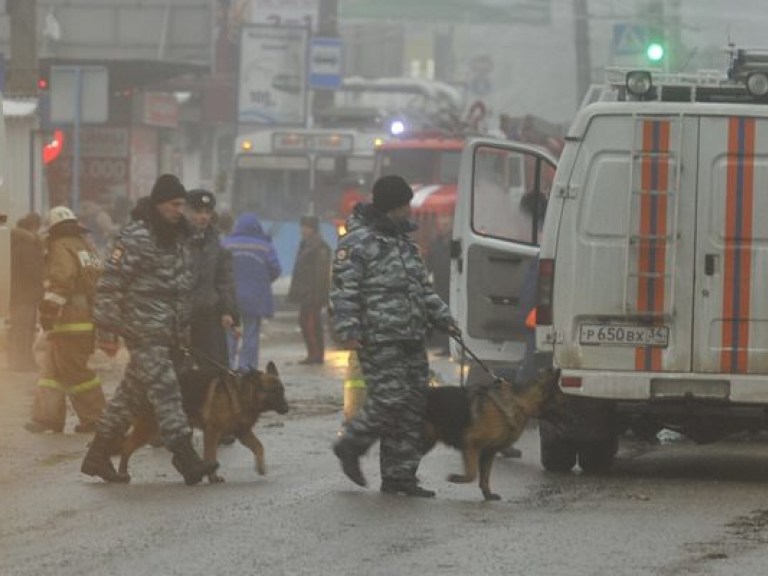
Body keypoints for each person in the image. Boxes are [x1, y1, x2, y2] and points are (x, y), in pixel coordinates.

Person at [80, 174, 218, 485]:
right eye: (173, 204)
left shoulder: (179, 238)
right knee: (168, 391)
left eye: (182, 205)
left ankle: (98, 454)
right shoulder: (136, 237)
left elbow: (181, 289)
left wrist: (182, 331)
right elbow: (110, 284)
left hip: (168, 333)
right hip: (142, 331)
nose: (178, 210)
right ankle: (186, 457)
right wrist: (107, 330)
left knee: (130, 397)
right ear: (157, 204)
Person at [330, 175, 460, 498]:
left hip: (412, 335)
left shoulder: (404, 244)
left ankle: (400, 475)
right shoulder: (357, 242)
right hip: (380, 336)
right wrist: (347, 330)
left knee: (414, 405)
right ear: (392, 206)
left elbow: (422, 289)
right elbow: (344, 290)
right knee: (389, 402)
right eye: (405, 206)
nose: (409, 212)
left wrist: (444, 318)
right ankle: (351, 444)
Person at [25, 207, 106, 434]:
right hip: (84, 318)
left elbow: (61, 280)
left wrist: (48, 311)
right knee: (52, 370)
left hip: (69, 319)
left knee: (76, 370)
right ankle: (46, 417)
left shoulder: (60, 246)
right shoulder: (86, 246)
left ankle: (97, 417)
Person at [222, 213, 281, 371]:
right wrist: (261, 281)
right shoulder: (264, 246)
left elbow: (218, 268)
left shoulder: (227, 244)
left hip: (231, 297)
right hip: (255, 297)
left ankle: (228, 365)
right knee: (251, 333)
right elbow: (275, 269)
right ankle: (247, 367)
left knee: (230, 332)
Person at [186, 189, 237, 367]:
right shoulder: (176, 240)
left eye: (207, 212)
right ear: (187, 211)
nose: (203, 217)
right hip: (182, 317)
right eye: (198, 212)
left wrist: (227, 311)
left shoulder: (216, 243)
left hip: (209, 316)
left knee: (216, 368)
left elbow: (224, 280)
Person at [288, 215, 331, 365]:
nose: (303, 230)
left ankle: (316, 354)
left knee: (310, 323)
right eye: (302, 227)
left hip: (313, 293)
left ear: (313, 229)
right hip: (306, 292)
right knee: (306, 321)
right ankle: (313, 353)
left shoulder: (319, 247)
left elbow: (320, 273)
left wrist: (316, 294)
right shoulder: (306, 245)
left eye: (306, 227)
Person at [8, 213, 45, 372]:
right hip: (26, 295)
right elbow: (33, 270)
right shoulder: (26, 245)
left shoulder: (16, 242)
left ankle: (22, 361)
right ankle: (21, 362)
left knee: (22, 329)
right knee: (24, 330)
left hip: (17, 294)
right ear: (34, 227)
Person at [426, 213, 453, 356]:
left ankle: (451, 345)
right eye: (441, 225)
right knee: (441, 314)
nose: (443, 228)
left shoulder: (454, 243)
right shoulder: (435, 243)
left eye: (446, 225)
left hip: (453, 284)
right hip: (440, 284)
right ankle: (443, 344)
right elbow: (429, 263)